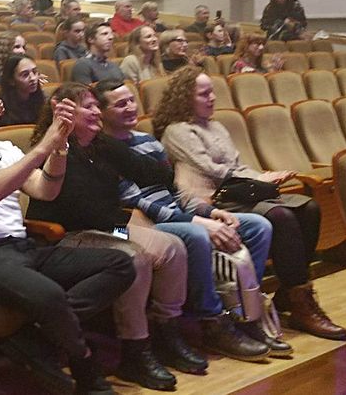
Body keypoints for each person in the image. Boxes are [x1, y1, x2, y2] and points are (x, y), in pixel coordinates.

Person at [33, 83, 274, 372]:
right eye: (88, 107)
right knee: (138, 253)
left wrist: (164, 163)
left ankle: (166, 331)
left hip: (111, 229)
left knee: (172, 247)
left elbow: (156, 175)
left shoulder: (100, 145)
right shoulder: (56, 151)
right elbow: (85, 211)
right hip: (72, 236)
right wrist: (132, 226)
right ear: (64, 112)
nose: (97, 112)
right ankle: (135, 347)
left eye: (97, 105)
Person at [0, 82, 135, 394]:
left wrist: (60, 147)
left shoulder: (6, 149)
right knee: (50, 296)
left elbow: (45, 190)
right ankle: (86, 369)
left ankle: (35, 333)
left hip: (24, 247)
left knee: (121, 263)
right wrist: (44, 145)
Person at [95, 79, 288, 358]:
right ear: (102, 112)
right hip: (140, 224)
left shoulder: (148, 141)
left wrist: (209, 211)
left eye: (132, 100)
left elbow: (175, 191)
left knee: (259, 226)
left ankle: (244, 311)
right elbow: (135, 201)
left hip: (175, 214)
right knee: (197, 235)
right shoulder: (102, 150)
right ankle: (212, 322)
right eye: (120, 104)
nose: (130, 107)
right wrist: (193, 221)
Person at [154, 67, 346, 341]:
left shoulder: (216, 126)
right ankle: (300, 305)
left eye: (212, 92)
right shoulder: (177, 131)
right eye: (204, 94)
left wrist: (261, 178)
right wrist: (260, 179)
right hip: (212, 199)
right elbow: (212, 170)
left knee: (309, 208)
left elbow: (237, 165)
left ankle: (290, 292)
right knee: (281, 216)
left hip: (239, 193)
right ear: (185, 98)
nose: (212, 98)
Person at [0, 55, 43, 127]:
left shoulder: (43, 100)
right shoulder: (1, 108)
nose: (33, 78)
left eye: (34, 72)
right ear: (11, 80)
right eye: (25, 75)